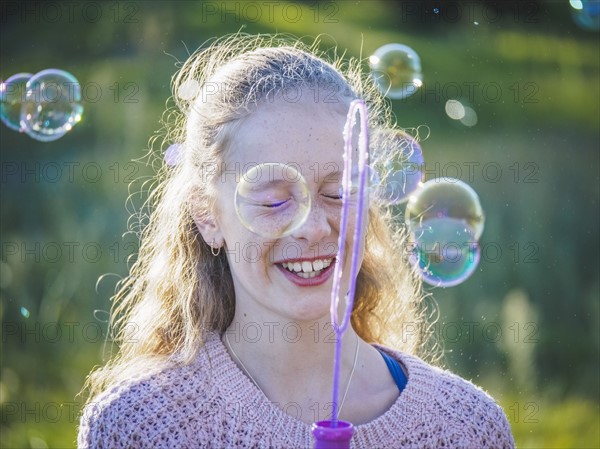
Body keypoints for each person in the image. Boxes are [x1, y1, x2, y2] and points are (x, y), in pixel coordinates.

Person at [77, 34, 515, 449]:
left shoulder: (465, 426)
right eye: (273, 200)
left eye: (338, 193)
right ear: (207, 215)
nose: (312, 228)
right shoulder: (137, 427)